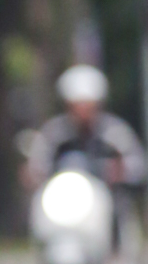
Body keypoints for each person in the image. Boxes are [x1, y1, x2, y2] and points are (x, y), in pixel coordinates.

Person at [25, 65, 145, 199]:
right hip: (63, 201)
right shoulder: (54, 133)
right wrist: (35, 175)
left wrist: (121, 171)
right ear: (68, 106)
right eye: (77, 106)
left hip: (109, 202)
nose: (83, 113)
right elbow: (38, 164)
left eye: (88, 106)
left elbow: (139, 165)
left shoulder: (115, 132)